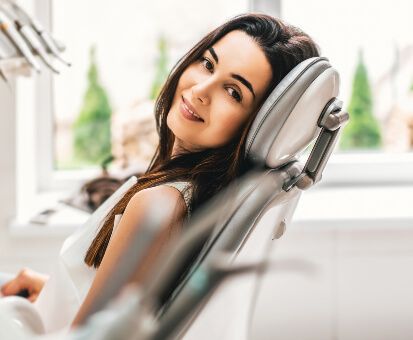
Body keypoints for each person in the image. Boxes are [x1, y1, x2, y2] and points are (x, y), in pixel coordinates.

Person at [0, 13, 319, 334]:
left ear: (256, 125)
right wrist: (54, 290)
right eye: (208, 64)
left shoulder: (159, 206)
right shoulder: (193, 195)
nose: (200, 90)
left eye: (234, 92)